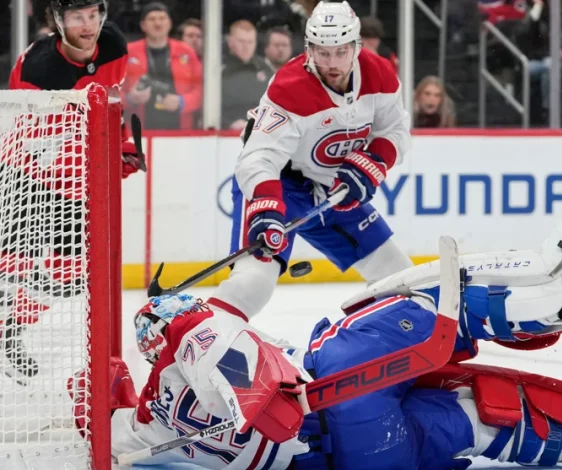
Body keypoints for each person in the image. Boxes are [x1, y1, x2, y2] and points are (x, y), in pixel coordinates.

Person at [75, 217, 562, 469]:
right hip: (331, 402)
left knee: (478, 415)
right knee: (392, 314)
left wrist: (103, 395)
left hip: (359, 459)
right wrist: (268, 246)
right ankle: (555, 294)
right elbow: (239, 319)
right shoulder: (191, 332)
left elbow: (103, 427)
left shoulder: (142, 431)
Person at [212, 1, 414, 321]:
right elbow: (258, 156)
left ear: (356, 47)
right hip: (281, 185)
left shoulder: (380, 75)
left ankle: (397, 344)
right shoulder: (290, 87)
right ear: (309, 48)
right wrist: (266, 207)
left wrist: (372, 163)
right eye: (322, 52)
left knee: (400, 276)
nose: (332, 63)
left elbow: (396, 131)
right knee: (254, 283)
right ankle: (202, 337)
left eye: (341, 51)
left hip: (333, 190)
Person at [3, 0, 142, 379]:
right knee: (10, 270)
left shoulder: (113, 44)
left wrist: (123, 146)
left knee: (67, 278)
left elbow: (111, 102)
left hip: (74, 182)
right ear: (58, 22)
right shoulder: (39, 68)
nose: (89, 25)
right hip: (28, 174)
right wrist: (101, 159)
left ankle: (12, 328)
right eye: (77, 17)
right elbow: (36, 142)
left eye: (94, 15)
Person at [123, 2, 203, 130]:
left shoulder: (186, 52)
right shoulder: (128, 52)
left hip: (182, 132)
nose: (158, 23)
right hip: (138, 131)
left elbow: (204, 89)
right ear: (143, 25)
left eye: (162, 18)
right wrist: (130, 99)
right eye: (152, 19)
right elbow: (110, 92)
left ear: (170, 23)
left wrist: (182, 102)